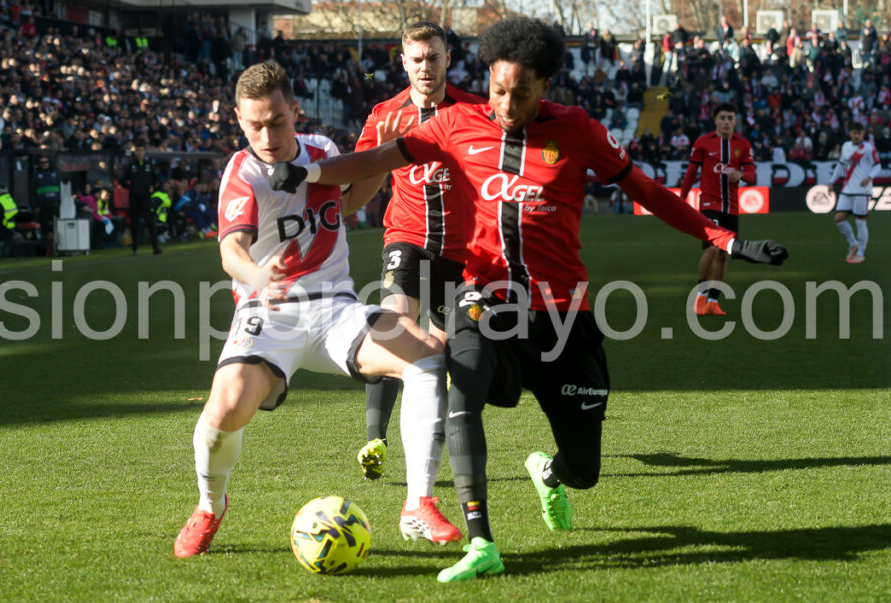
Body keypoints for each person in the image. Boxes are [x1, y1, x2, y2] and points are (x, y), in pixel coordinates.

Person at [267, 17, 788, 582]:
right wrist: (305, 171)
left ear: (545, 87)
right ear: (487, 78)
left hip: (564, 317)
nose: (507, 104)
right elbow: (372, 162)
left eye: (521, 93)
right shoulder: (456, 123)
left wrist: (722, 236)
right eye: (497, 89)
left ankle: (551, 473)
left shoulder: (579, 130)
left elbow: (647, 190)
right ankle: (480, 540)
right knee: (459, 387)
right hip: (483, 300)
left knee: (585, 468)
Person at [173, 62, 461, 559]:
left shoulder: (322, 151)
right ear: (239, 120)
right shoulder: (242, 174)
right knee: (224, 409)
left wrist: (379, 163)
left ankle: (418, 503)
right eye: (255, 125)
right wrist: (261, 277)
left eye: (277, 122)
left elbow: (348, 204)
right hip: (269, 313)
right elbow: (230, 252)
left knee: (428, 355)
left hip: (334, 308)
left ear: (294, 112)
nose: (267, 135)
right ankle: (209, 505)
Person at [351, 21, 485, 482]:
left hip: (459, 249)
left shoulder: (475, 111)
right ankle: (376, 437)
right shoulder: (385, 114)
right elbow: (357, 190)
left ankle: (426, 446)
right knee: (391, 329)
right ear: (403, 62)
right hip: (405, 238)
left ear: (448, 58)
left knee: (434, 351)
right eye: (417, 59)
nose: (425, 67)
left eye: (433, 57)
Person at [680, 102, 756, 316]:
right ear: (715, 120)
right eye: (722, 118)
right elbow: (691, 173)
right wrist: (682, 199)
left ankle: (713, 301)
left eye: (730, 118)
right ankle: (700, 296)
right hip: (708, 204)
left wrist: (741, 175)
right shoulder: (703, 143)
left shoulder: (743, 145)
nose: (726, 122)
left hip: (731, 208)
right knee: (712, 248)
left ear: (735, 121)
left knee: (723, 255)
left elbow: (752, 175)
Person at [829, 122, 879, 264]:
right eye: (854, 132)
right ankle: (853, 243)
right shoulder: (845, 146)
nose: (856, 135)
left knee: (860, 221)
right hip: (847, 189)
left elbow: (878, 165)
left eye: (859, 133)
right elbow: (840, 165)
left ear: (863, 134)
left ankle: (861, 253)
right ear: (850, 133)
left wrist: (869, 178)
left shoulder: (868, 148)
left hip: (862, 191)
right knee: (839, 218)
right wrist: (832, 181)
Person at [122, 143, 162, 255]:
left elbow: (156, 179)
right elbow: (122, 179)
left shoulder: (149, 165)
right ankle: (135, 248)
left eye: (141, 150)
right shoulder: (131, 166)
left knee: (150, 222)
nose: (139, 153)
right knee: (134, 223)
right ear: (135, 152)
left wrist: (152, 187)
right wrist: (131, 187)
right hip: (134, 198)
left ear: (144, 152)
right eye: (137, 150)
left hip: (146, 197)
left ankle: (155, 247)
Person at [33, 155, 60, 255]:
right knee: (44, 230)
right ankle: (45, 251)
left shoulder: (55, 173)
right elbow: (32, 191)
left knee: (56, 228)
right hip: (43, 206)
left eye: (46, 162)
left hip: (54, 205)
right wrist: (35, 205)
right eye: (42, 162)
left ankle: (56, 249)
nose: (44, 164)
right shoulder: (36, 175)